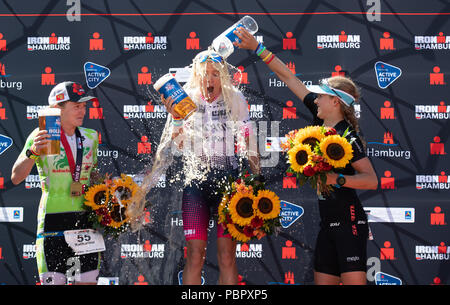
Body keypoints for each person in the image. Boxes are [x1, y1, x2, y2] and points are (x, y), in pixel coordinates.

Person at [234, 28, 378, 285]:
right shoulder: (320, 118)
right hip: (328, 223)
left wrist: (338, 179)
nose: (317, 99)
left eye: (322, 95)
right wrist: (257, 48)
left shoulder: (347, 136)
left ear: (335, 102)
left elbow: (371, 180)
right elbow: (288, 77)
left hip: (349, 222)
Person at [160, 49, 261, 285]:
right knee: (195, 255)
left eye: (216, 74)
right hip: (196, 184)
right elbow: (178, 146)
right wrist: (176, 118)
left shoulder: (234, 97)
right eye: (205, 74)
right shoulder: (187, 97)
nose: (210, 80)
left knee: (227, 255)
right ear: (197, 74)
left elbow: (248, 139)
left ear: (223, 75)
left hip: (229, 184)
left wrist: (256, 178)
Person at [11, 81, 101, 285]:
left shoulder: (91, 137)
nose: (83, 111)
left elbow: (92, 174)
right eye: (76, 106)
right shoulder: (41, 136)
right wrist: (32, 153)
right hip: (52, 221)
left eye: (84, 106)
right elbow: (16, 177)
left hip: (85, 221)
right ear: (57, 109)